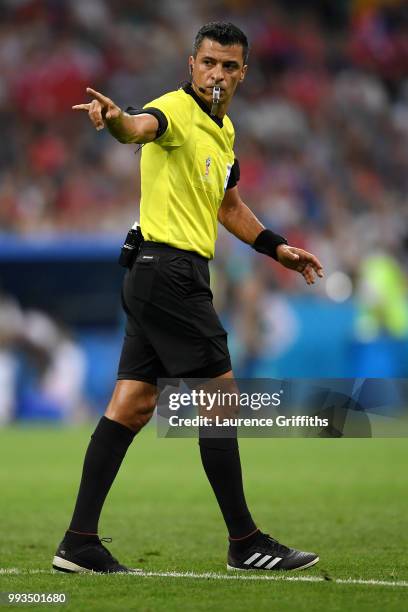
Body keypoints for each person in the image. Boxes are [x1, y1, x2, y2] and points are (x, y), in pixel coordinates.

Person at [52, 22, 323, 574]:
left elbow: (229, 208)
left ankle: (78, 543)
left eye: (229, 66)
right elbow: (138, 127)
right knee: (220, 400)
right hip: (169, 272)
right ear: (191, 64)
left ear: (243, 72)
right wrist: (115, 123)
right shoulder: (171, 110)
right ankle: (245, 541)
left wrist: (278, 249)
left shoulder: (222, 132)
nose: (217, 74)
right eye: (208, 63)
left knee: (132, 405)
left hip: (159, 274)